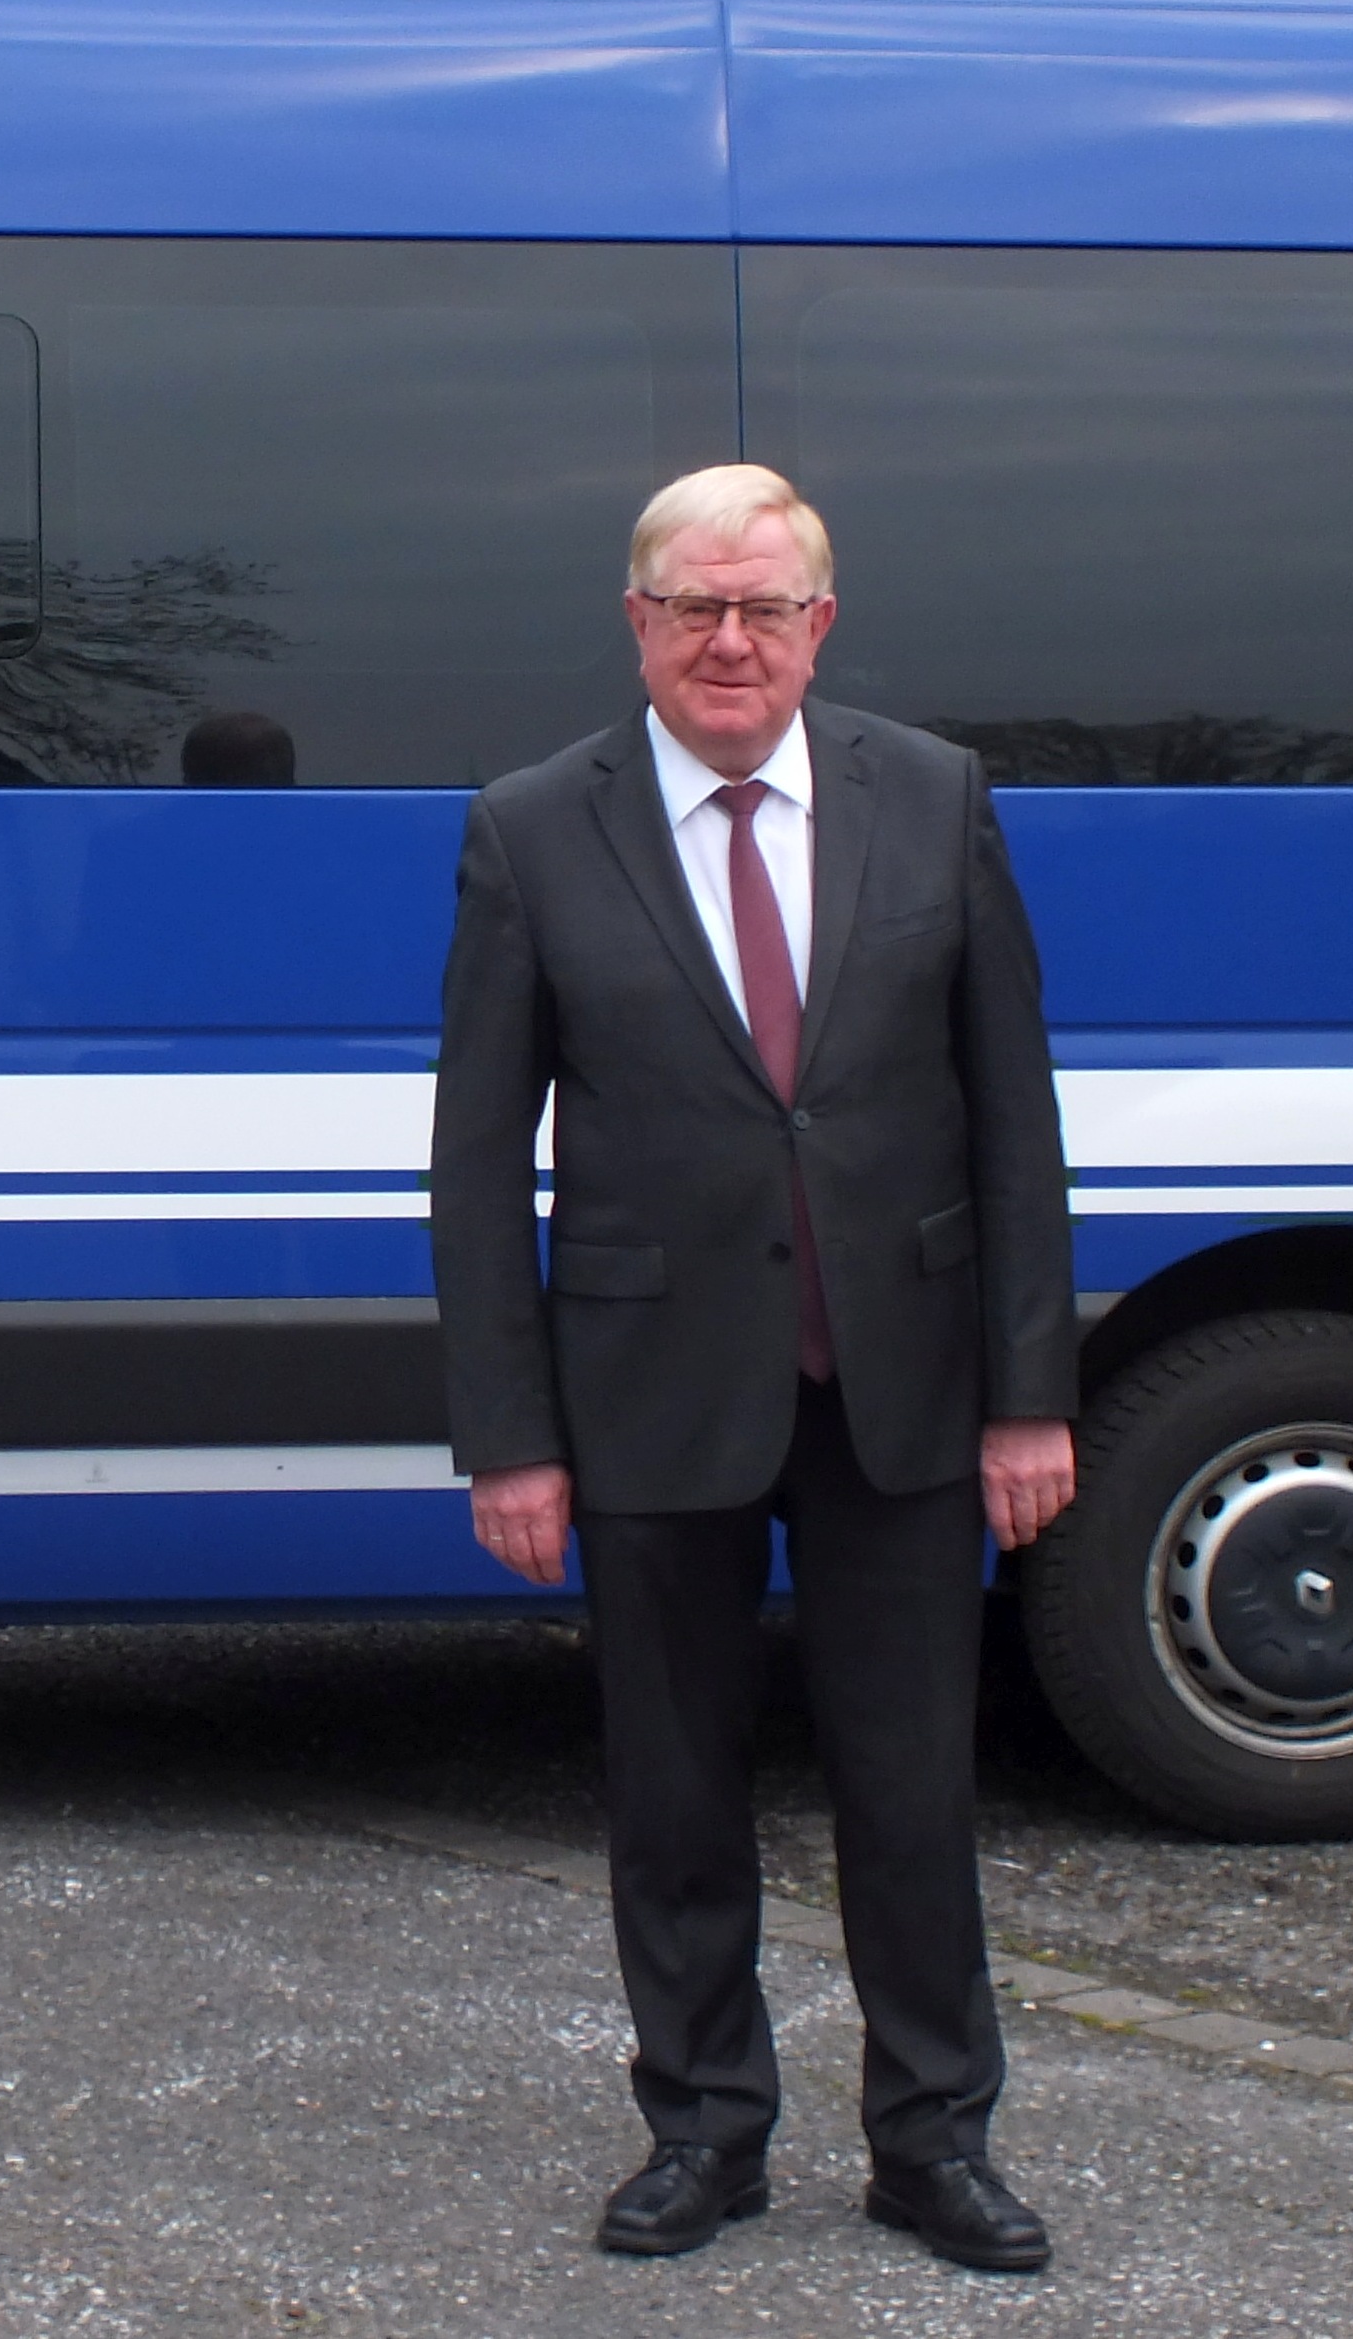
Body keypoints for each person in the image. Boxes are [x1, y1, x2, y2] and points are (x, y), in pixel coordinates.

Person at [430, 464, 1077, 2272]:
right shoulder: (530, 826)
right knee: (673, 1792)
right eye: (694, 607)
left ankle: (932, 2143)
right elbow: (476, 1163)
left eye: (764, 608)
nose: (731, 641)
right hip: (647, 1395)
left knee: (909, 1790)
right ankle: (704, 2130)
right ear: (635, 621)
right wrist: (510, 1438)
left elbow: (1011, 1118)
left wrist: (1030, 1392)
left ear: (819, 623)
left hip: (906, 1389)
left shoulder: (933, 798)